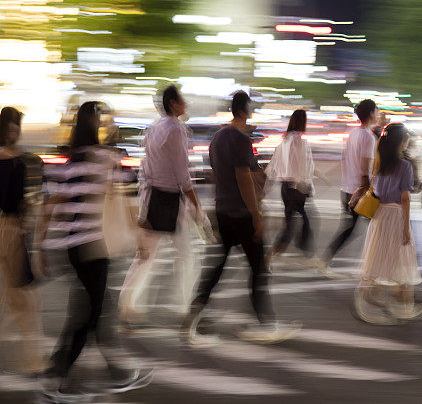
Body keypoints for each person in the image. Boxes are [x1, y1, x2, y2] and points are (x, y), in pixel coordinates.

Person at [36, 102, 152, 396]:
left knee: (92, 309)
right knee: (91, 313)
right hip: (95, 247)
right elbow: (127, 200)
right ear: (96, 124)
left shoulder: (68, 162)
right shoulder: (107, 158)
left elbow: (52, 207)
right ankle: (56, 378)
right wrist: (139, 236)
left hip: (71, 248)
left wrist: (39, 247)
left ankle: (107, 372)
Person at [182, 91, 299, 344]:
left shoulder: (217, 138)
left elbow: (216, 174)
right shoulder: (240, 140)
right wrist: (256, 215)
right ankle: (266, 323)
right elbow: (244, 179)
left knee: (219, 265)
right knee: (258, 269)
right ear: (246, 111)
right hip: (242, 213)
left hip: (222, 210)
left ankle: (197, 306)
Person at [119, 85, 205, 324]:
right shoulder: (177, 130)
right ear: (173, 104)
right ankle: (184, 304)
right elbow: (182, 174)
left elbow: (146, 168)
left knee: (146, 256)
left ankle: (127, 305)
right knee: (187, 255)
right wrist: (196, 205)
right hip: (170, 201)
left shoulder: (154, 128)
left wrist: (144, 203)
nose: (185, 103)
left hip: (154, 197)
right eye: (182, 100)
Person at [354, 123, 422, 323]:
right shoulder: (405, 166)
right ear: (401, 142)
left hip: (380, 215)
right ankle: (403, 306)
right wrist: (406, 228)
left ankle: (378, 298)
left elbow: (376, 190)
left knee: (379, 255)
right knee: (402, 256)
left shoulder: (380, 163)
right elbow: (405, 198)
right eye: (406, 139)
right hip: (396, 214)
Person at [0, 107, 46, 373]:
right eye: (12, 125)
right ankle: (34, 361)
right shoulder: (20, 161)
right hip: (12, 231)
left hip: (11, 228)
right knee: (26, 301)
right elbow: (27, 203)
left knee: (20, 300)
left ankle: (35, 359)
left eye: (17, 125)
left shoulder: (23, 160)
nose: (15, 131)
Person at [322, 99, 378, 270]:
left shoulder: (353, 134)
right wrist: (367, 190)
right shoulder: (368, 137)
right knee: (377, 226)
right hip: (359, 191)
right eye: (377, 111)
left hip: (346, 189)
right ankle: (376, 263)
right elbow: (364, 167)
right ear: (370, 114)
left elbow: (345, 160)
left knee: (354, 227)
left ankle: (327, 257)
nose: (378, 114)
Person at [266, 109, 322, 265]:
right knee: (302, 221)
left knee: (294, 224)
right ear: (302, 122)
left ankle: (304, 253)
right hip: (295, 188)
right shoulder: (299, 141)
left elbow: (274, 166)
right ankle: (307, 254)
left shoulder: (285, 140)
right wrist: (306, 187)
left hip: (286, 188)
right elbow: (302, 168)